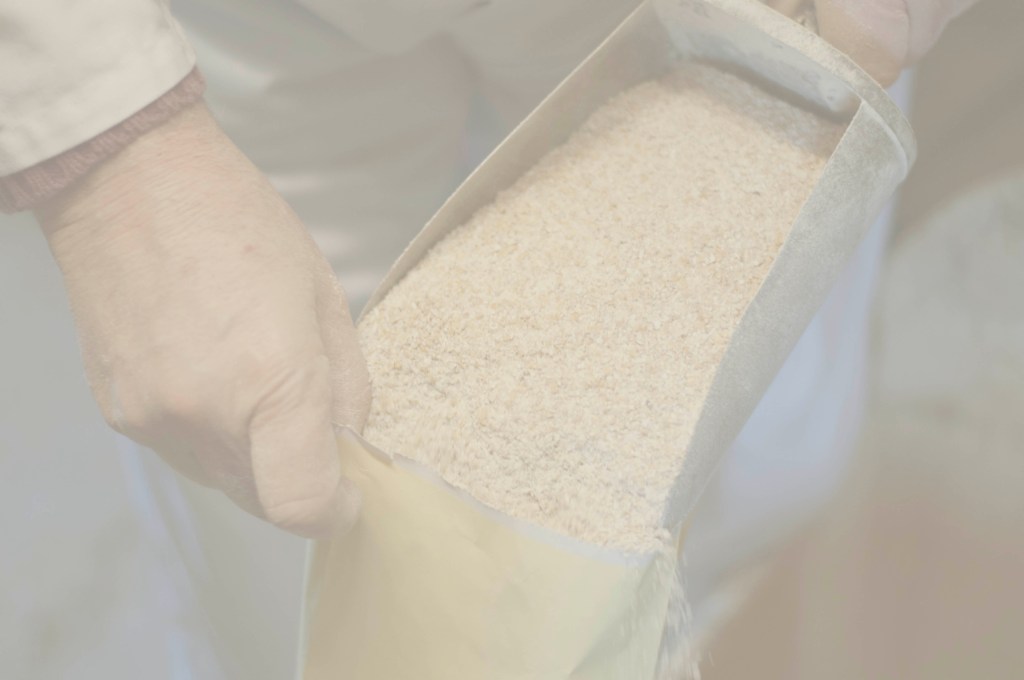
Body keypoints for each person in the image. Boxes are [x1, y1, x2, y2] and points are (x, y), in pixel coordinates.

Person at [0, 0, 981, 677]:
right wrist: (108, 137)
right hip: (261, 34)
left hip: (727, 34)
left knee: (759, 456)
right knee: (291, 498)